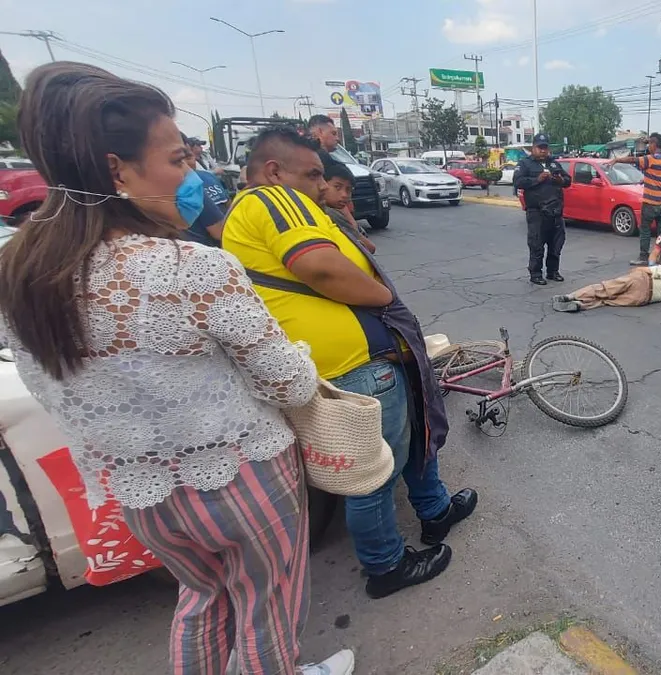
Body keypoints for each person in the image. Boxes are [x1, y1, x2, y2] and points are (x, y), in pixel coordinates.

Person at [0, 63, 353, 675]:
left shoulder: (18, 273)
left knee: (201, 600)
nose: (190, 176)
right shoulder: (189, 267)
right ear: (118, 168)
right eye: (177, 160)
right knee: (268, 601)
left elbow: (54, 390)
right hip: (242, 479)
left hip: (140, 491)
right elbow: (287, 382)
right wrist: (297, 354)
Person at [222, 126, 478, 600]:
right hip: (355, 365)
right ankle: (386, 565)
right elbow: (319, 267)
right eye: (313, 174)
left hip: (363, 360)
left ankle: (435, 509)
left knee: (413, 433)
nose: (322, 185)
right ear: (275, 171)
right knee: (375, 472)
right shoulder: (271, 199)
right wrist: (383, 299)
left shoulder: (266, 209)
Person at [514, 133, 571, 285]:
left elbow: (567, 181)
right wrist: (536, 180)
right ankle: (536, 273)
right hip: (537, 212)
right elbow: (518, 182)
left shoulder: (554, 163)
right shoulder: (525, 164)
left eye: (545, 148)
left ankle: (553, 271)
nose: (543, 151)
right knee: (537, 244)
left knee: (556, 243)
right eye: (540, 148)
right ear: (533, 148)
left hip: (555, 212)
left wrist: (560, 180)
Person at [611, 132, 661, 265]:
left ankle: (643, 257)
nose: (648, 147)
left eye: (650, 144)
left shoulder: (649, 159)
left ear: (653, 144)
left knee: (645, 230)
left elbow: (633, 160)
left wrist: (617, 160)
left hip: (649, 203)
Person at [551, 265, 661, 313]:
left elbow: (655, 271)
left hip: (641, 281)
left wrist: (636, 270)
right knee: (607, 301)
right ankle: (580, 305)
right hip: (643, 299)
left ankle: (570, 296)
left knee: (603, 289)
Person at [320, 154, 376, 254]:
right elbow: (370, 248)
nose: (344, 195)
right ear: (323, 184)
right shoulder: (331, 213)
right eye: (337, 187)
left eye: (349, 190)